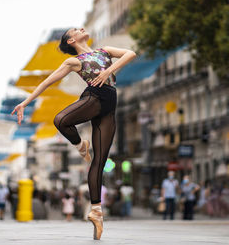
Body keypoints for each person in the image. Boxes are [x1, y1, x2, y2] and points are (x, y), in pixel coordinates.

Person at [12, 27, 136, 240]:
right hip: (94, 97)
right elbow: (47, 81)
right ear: (71, 40)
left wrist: (108, 71)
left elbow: (131, 53)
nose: (82, 29)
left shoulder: (104, 51)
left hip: (109, 105)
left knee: (99, 161)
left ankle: (96, 211)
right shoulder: (74, 61)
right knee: (60, 120)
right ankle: (80, 145)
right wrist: (25, 102)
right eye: (76, 30)